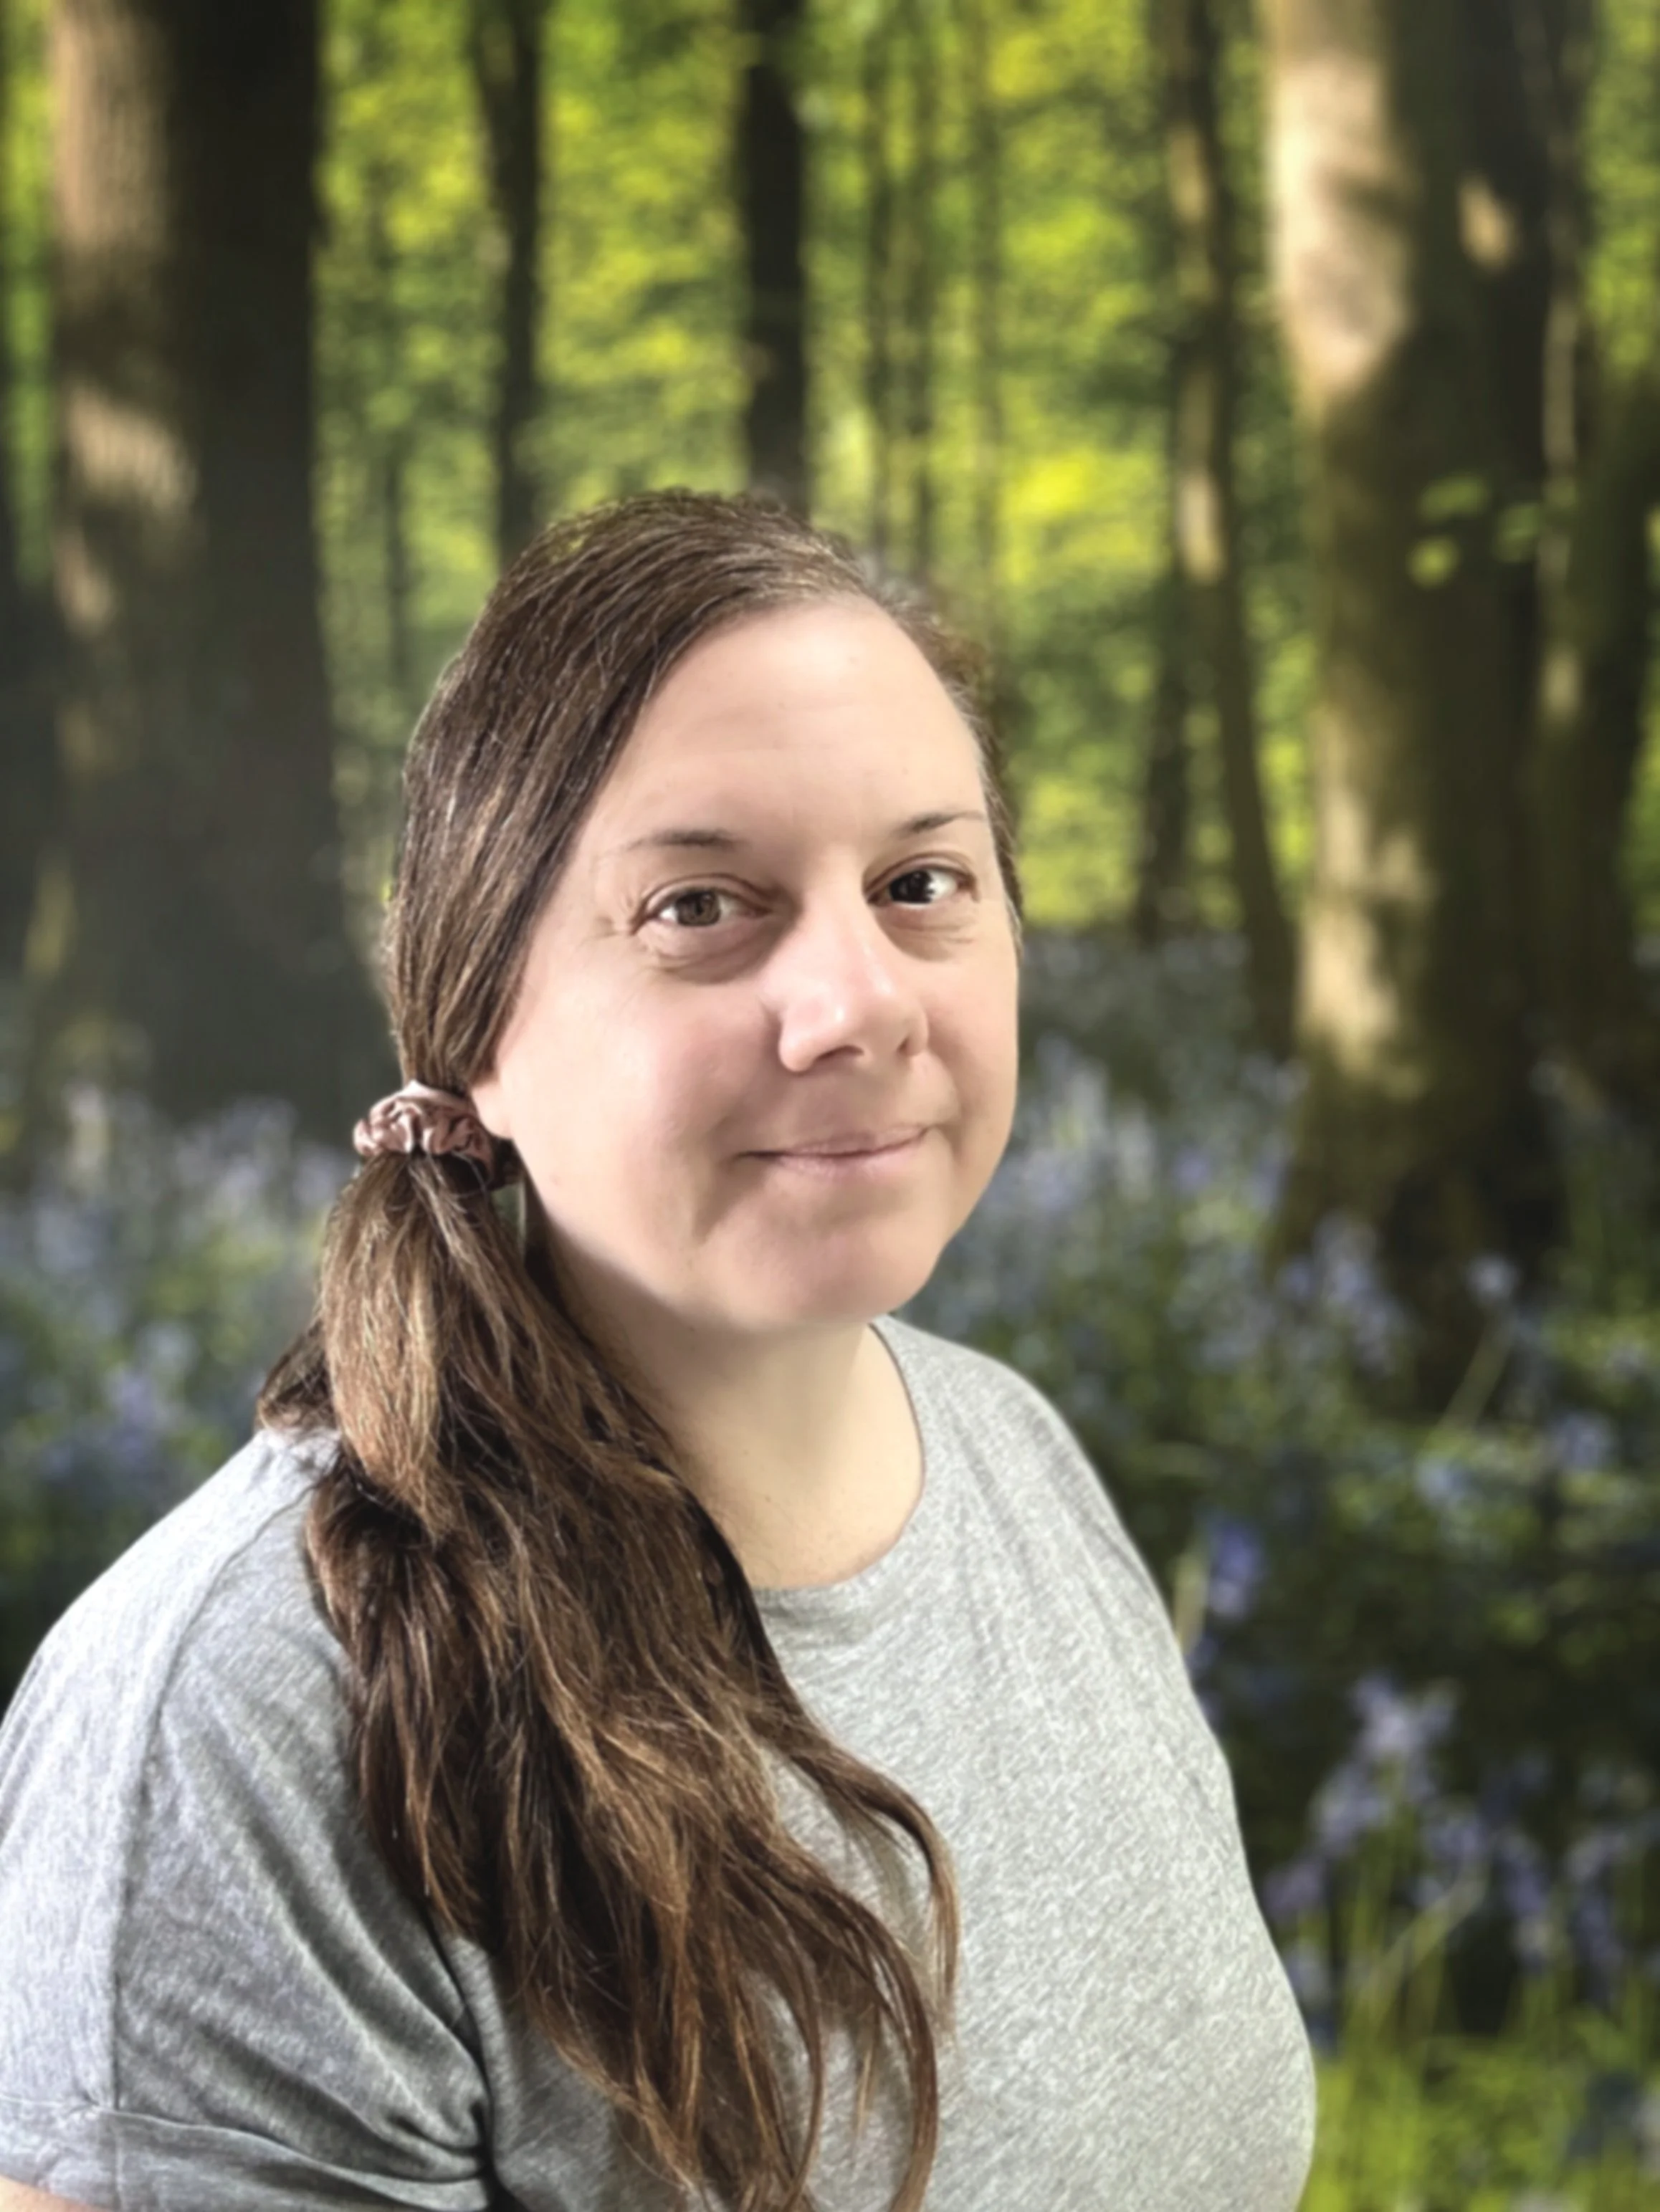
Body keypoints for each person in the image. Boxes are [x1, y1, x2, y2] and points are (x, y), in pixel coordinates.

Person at [0, 490, 1316, 2212]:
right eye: (703, 907)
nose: (858, 1001)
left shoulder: (1011, 1452)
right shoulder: (249, 1731)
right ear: (472, 1021)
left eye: (924, 882)